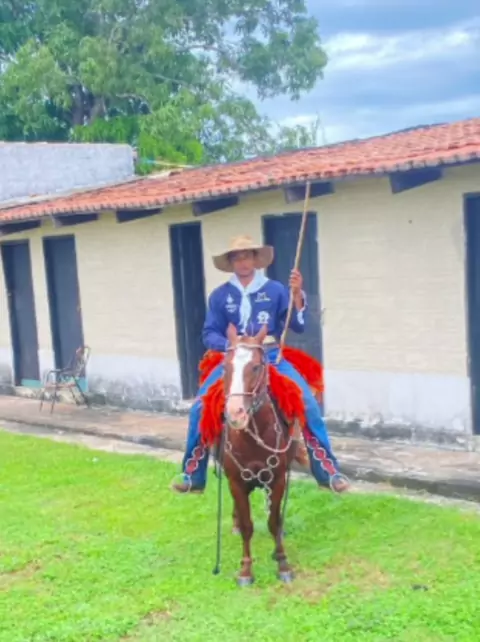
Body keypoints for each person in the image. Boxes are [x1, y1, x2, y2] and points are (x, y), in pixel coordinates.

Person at [172, 235, 350, 494]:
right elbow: (209, 333)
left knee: (307, 403)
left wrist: (297, 296)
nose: (243, 262)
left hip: (270, 355)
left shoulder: (276, 290)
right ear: (231, 262)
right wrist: (232, 346)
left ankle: (328, 471)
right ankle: (192, 475)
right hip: (234, 359)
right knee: (200, 407)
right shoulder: (220, 296)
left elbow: (296, 325)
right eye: (237, 257)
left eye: (247, 256)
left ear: (256, 259)